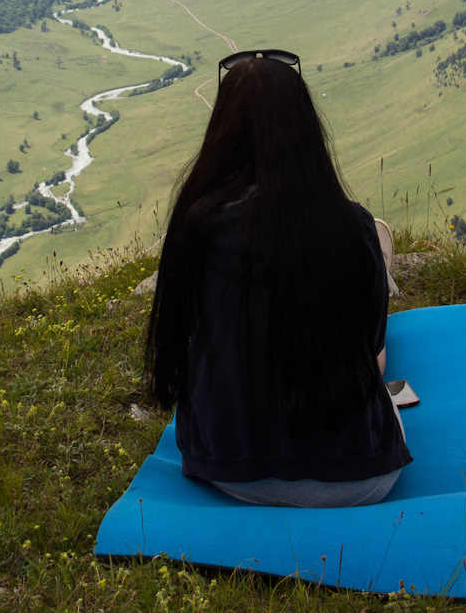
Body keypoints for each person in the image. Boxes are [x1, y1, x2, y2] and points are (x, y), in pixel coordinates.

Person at [144, 49, 412, 508]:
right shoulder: (349, 226)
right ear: (305, 130)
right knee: (377, 358)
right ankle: (384, 260)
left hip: (229, 470)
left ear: (221, 135)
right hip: (358, 476)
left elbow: (181, 347)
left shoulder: (195, 227)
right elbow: (367, 345)